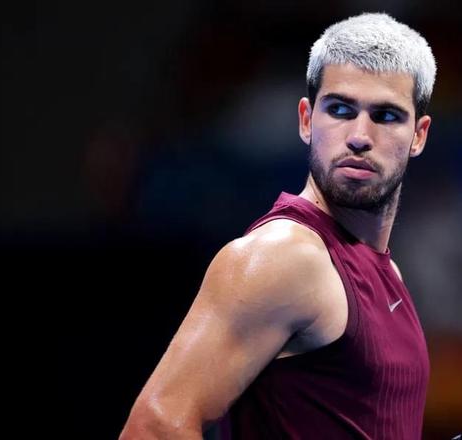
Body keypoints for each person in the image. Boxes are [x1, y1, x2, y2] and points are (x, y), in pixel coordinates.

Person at [120, 12, 436, 439]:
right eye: (340, 109)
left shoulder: (389, 272)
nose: (359, 135)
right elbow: (153, 428)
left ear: (418, 135)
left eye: (385, 116)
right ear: (306, 120)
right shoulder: (282, 257)